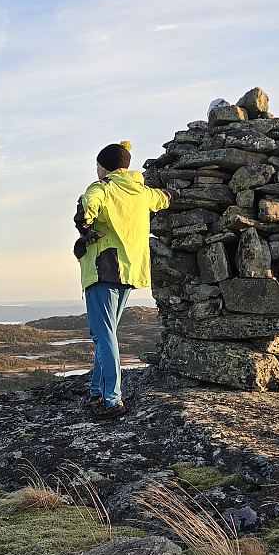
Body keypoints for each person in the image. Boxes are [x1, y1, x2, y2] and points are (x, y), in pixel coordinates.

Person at [73, 141, 174, 416]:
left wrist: (85, 222)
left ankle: (112, 400)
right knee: (106, 334)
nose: (96, 171)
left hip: (103, 268)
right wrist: (176, 192)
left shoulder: (102, 188)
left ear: (103, 168)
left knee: (102, 334)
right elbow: (163, 198)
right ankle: (97, 392)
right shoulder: (141, 192)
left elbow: (88, 208)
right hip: (129, 271)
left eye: (97, 166)